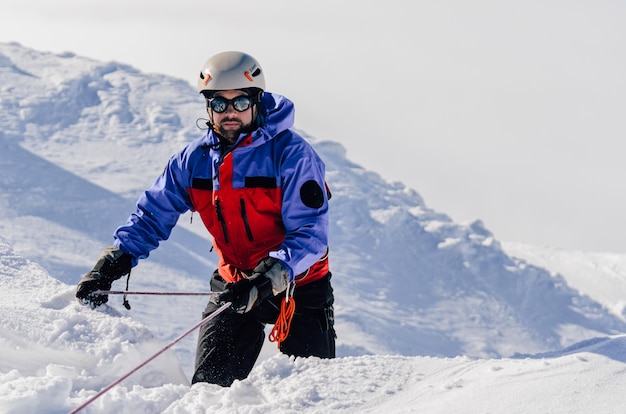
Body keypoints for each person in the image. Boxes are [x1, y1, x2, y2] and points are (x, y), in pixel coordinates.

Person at [75, 51, 336, 386]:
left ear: (257, 101)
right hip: (234, 283)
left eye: (240, 102)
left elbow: (310, 233)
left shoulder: (292, 156)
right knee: (208, 392)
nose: (230, 112)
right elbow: (152, 215)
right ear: (207, 106)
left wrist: (266, 278)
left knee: (309, 398)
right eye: (219, 103)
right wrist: (110, 264)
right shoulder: (193, 161)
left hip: (298, 288)